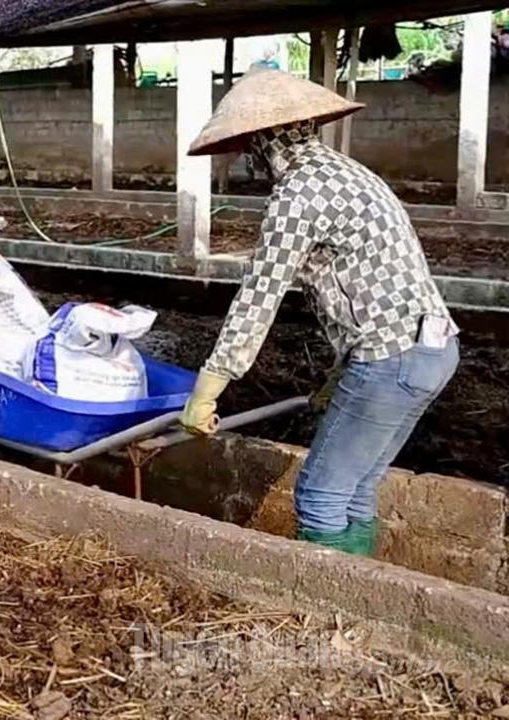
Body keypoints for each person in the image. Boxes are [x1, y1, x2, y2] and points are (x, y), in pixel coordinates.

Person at [178, 69, 459, 556]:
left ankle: (331, 598)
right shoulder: (351, 173)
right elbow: (380, 282)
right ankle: (362, 590)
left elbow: (259, 295)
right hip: (433, 350)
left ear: (262, 142)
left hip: (388, 360)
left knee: (319, 496)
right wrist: (339, 374)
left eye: (248, 147)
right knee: (356, 489)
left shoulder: (297, 194)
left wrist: (207, 390)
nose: (248, 159)